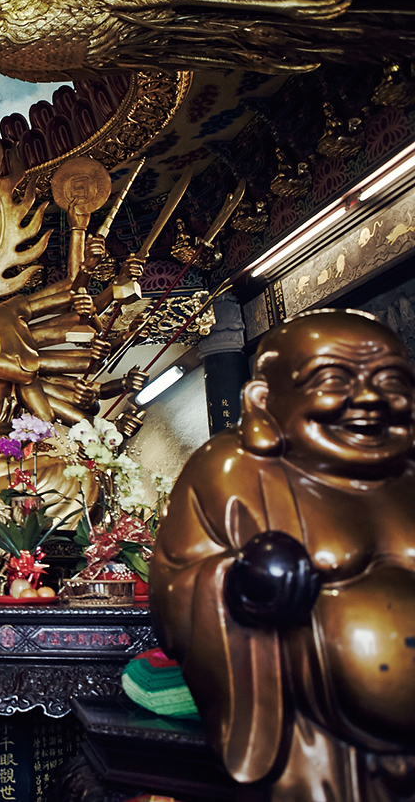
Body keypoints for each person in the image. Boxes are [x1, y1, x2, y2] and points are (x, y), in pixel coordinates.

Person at [151, 310, 415, 801]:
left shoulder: (407, 478)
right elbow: (173, 585)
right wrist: (240, 583)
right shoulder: (231, 470)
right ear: (262, 402)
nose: (371, 399)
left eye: (391, 381)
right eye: (334, 379)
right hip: (313, 742)